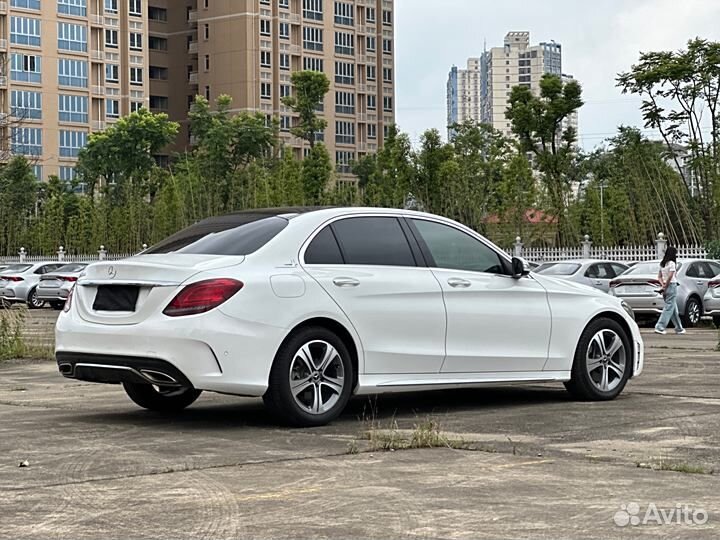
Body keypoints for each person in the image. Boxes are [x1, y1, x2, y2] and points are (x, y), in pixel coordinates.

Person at [655, 246, 686, 335]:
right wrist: (666, 285)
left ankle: (679, 328)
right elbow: (671, 276)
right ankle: (660, 327)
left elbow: (659, 277)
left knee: (673, 308)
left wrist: (663, 284)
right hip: (671, 286)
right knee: (669, 308)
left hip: (665, 286)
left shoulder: (662, 264)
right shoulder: (672, 263)